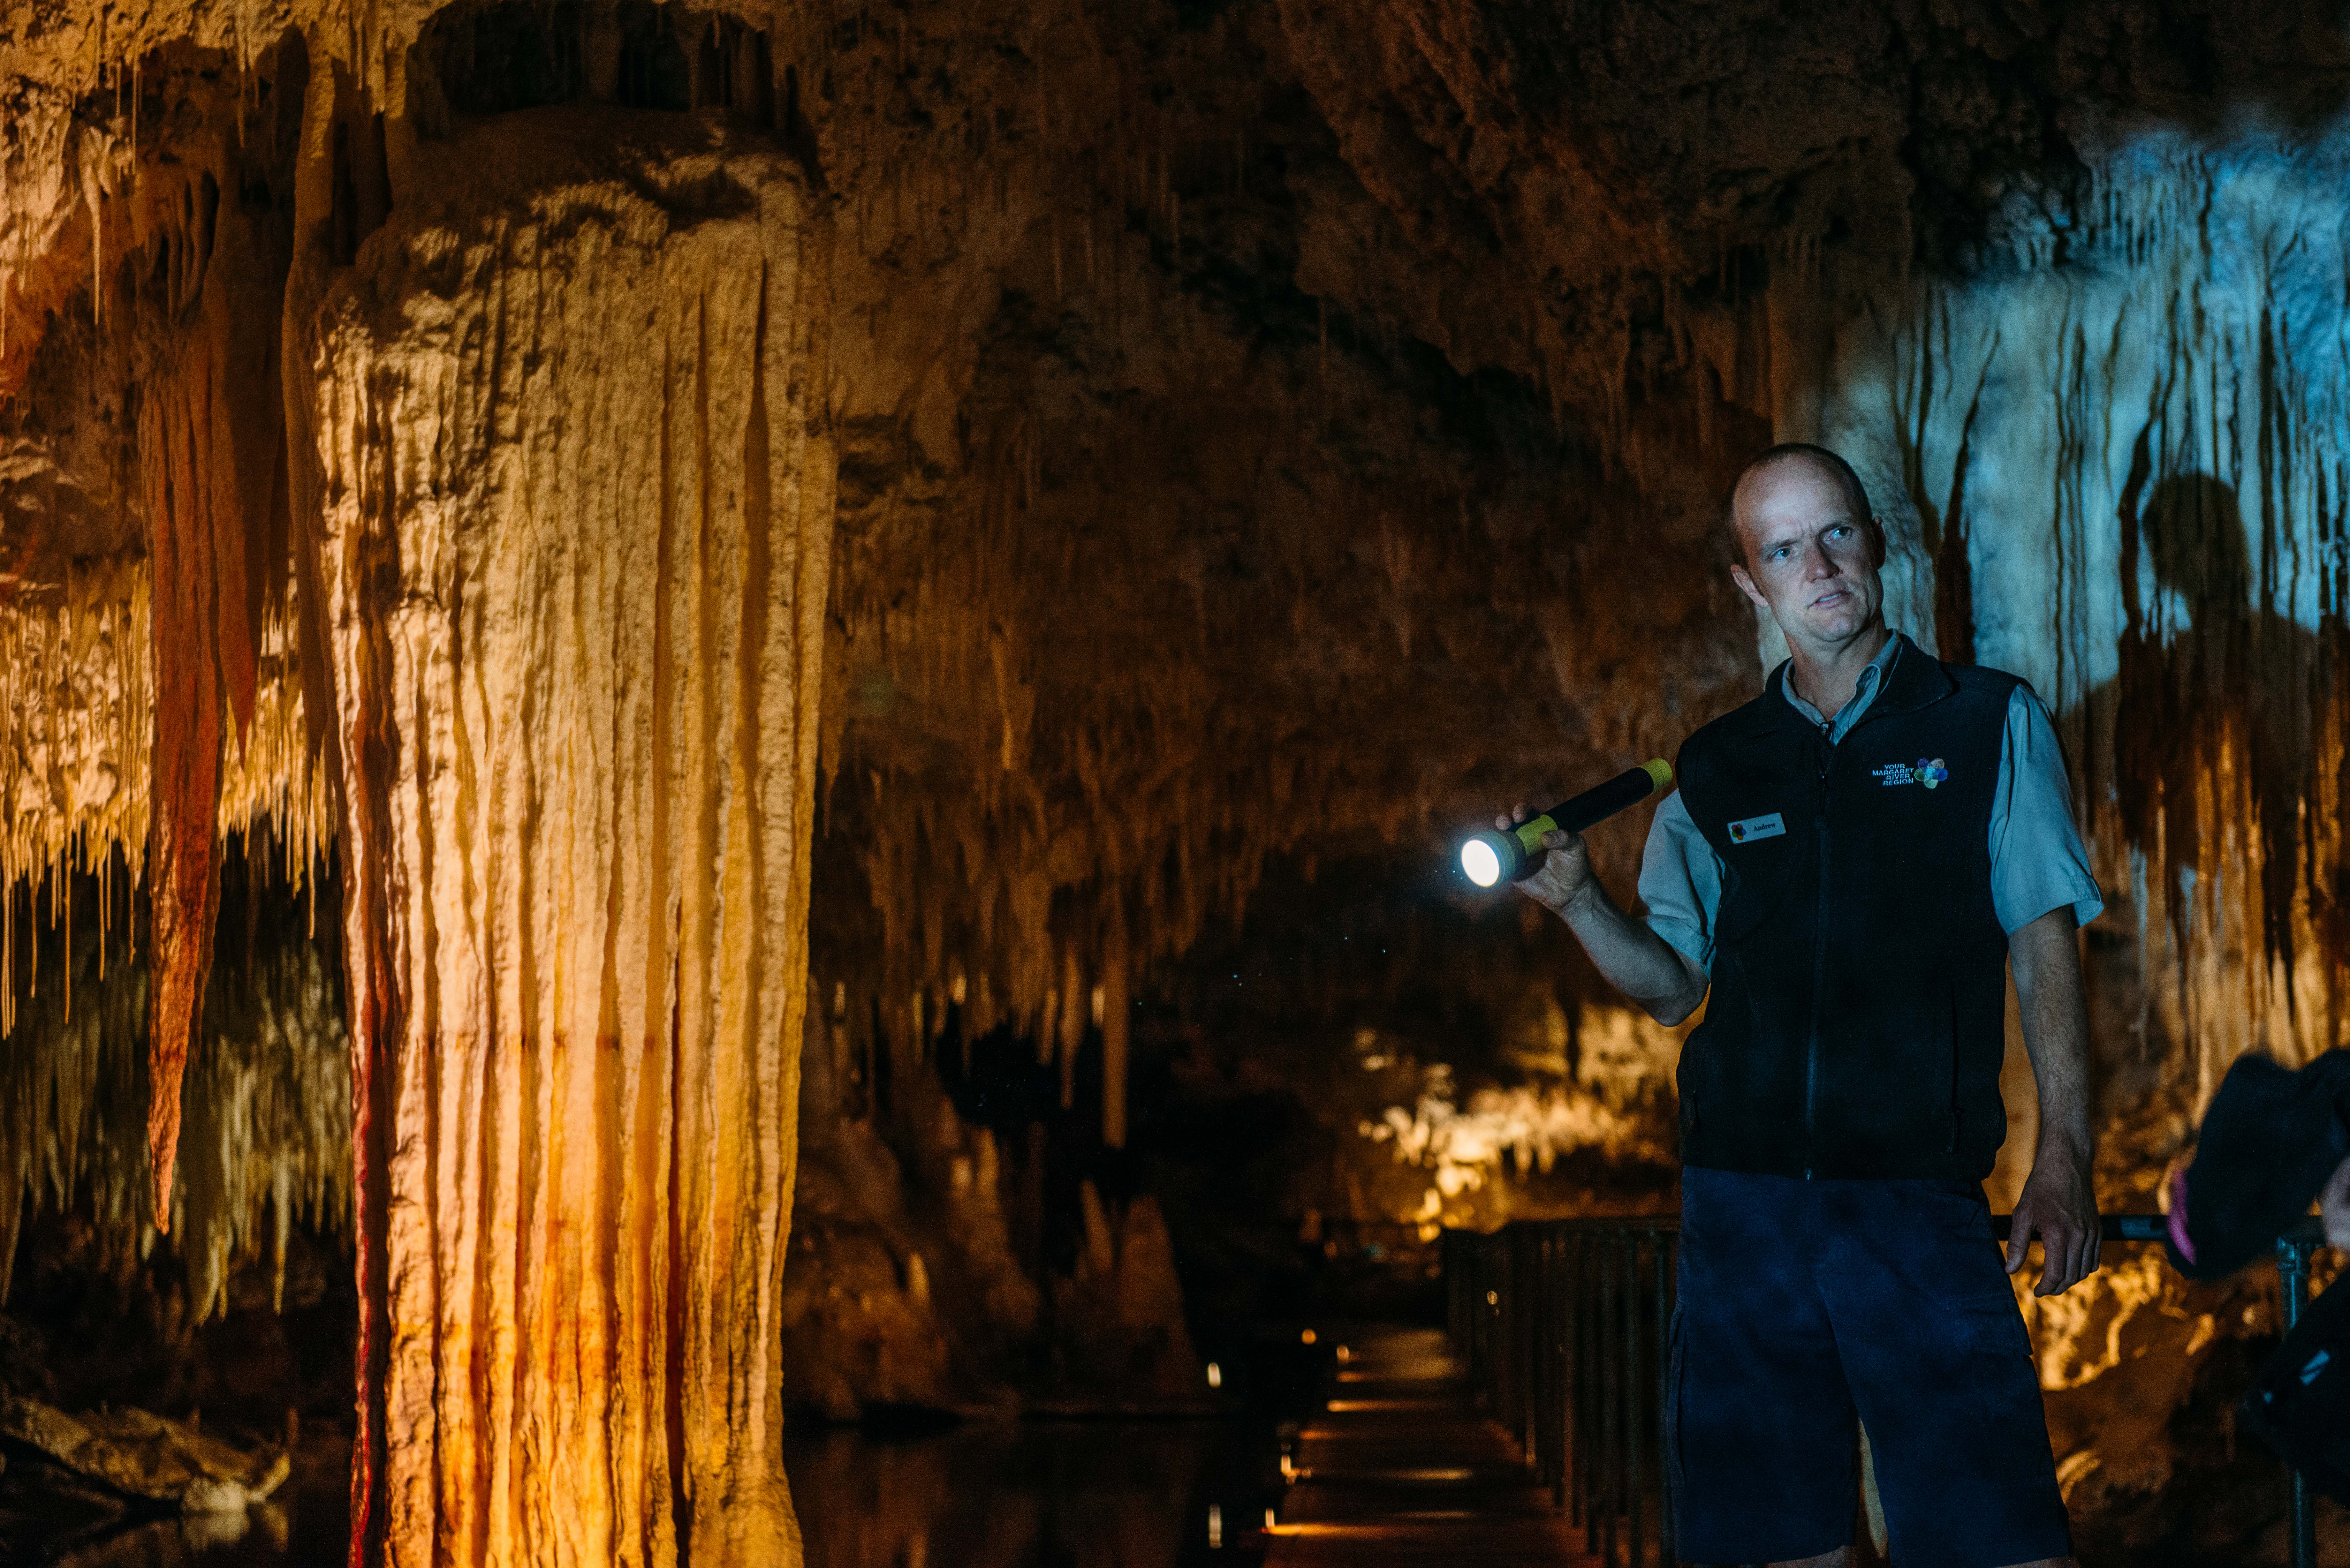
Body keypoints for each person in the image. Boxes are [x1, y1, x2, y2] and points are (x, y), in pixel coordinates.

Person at [1500, 443, 2103, 1568]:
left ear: (1876, 540)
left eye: (1835, 534)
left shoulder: (1985, 722)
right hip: (1744, 1219)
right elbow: (1676, 985)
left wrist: (2064, 1152)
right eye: (1783, 549)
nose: (1818, 565)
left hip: (1914, 1204)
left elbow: (2043, 933)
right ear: (1749, 584)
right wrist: (1580, 903)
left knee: (1998, 1543)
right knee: (1777, 1546)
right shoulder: (1717, 767)